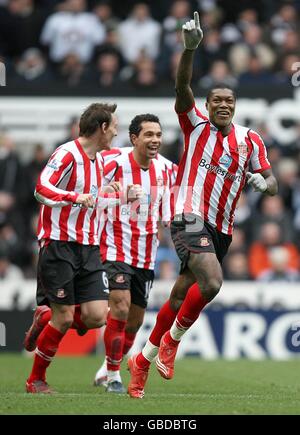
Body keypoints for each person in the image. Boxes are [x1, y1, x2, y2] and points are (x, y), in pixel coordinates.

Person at [127, 12, 278, 399]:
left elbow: (272, 182)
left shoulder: (251, 140)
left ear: (236, 105)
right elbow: (182, 86)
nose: (223, 105)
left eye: (229, 101)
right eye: (217, 101)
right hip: (188, 214)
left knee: (180, 296)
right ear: (207, 106)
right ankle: (172, 343)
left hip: (222, 228)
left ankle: (143, 360)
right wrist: (189, 50)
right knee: (212, 282)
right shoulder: (195, 124)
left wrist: (265, 183)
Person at [24, 103, 141, 394]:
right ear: (102, 128)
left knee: (96, 316)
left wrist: (122, 198)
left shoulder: (100, 162)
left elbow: (94, 201)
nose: (116, 131)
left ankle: (45, 316)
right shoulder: (66, 154)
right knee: (65, 317)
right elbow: (41, 189)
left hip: (89, 247)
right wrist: (75, 197)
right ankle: (35, 380)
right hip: (59, 244)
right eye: (114, 126)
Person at [93, 114, 174, 393]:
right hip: (114, 247)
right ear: (134, 138)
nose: (155, 140)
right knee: (121, 306)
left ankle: (107, 364)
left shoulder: (167, 170)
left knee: (135, 320)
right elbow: (89, 192)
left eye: (158, 135)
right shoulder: (110, 160)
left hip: (146, 253)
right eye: (149, 134)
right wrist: (113, 192)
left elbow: (171, 211)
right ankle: (114, 374)